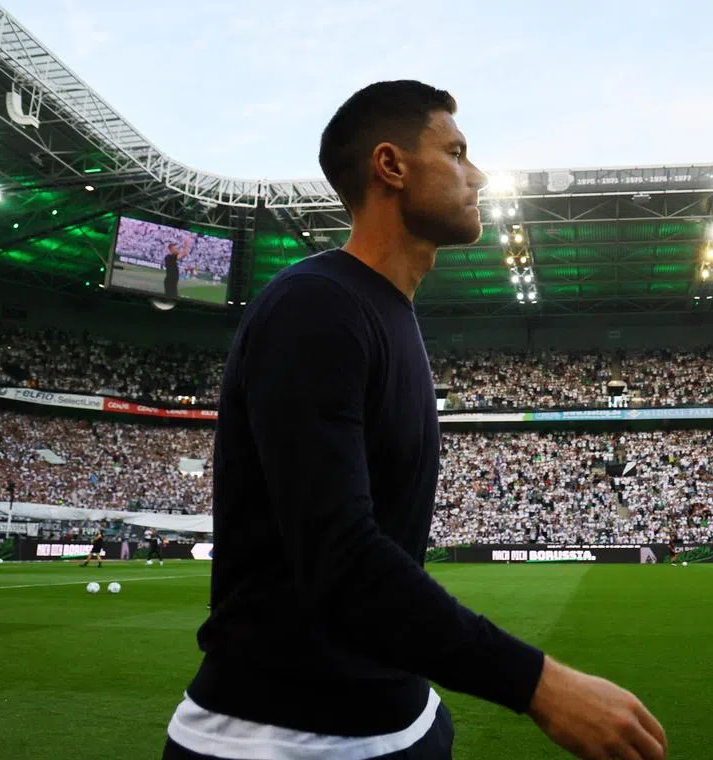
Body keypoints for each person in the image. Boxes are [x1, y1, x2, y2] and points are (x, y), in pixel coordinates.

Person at [161, 81, 667, 760]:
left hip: (394, 721)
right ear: (391, 167)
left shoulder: (386, 311)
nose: (478, 174)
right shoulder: (315, 307)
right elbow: (340, 557)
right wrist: (539, 685)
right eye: (457, 152)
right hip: (281, 738)